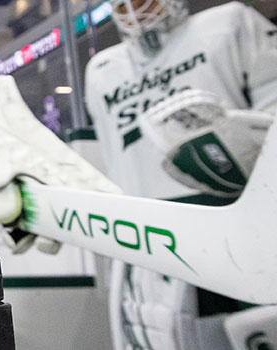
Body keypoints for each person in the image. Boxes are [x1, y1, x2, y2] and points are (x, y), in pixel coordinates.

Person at [83, 0, 277, 349]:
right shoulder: (102, 69)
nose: (131, 7)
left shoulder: (229, 23)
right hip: (146, 233)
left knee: (253, 330)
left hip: (234, 219)